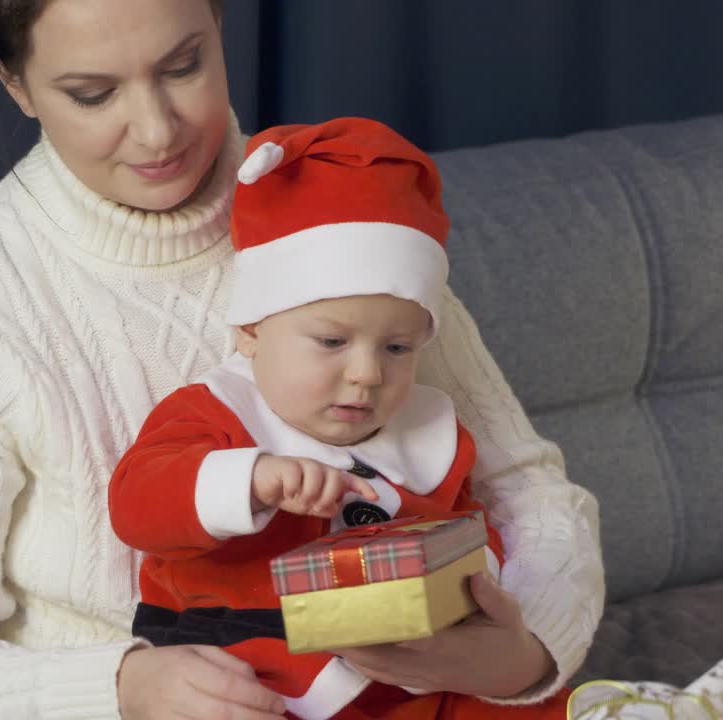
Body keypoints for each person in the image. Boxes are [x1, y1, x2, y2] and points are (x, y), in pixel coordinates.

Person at [0, 1, 604, 718]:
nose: (156, 132)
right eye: (93, 93)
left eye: (183, 67)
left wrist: (524, 656)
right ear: (15, 82)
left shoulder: (337, 203)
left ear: (217, 21)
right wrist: (122, 687)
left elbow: (529, 492)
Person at [111, 117, 540, 719]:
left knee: (524, 708)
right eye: (332, 343)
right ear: (252, 330)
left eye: (397, 349)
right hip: (264, 667)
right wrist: (250, 480)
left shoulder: (427, 435)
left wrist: (472, 578)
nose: (367, 374)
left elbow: (470, 526)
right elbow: (138, 506)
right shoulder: (216, 413)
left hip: (415, 668)